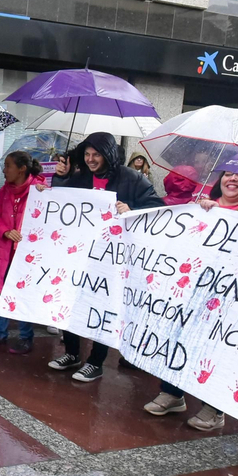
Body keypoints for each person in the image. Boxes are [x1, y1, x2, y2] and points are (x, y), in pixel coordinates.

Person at [142, 171, 238, 430]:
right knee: (178, 337)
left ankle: (214, 410)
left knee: (216, 349)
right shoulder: (203, 205)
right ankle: (172, 393)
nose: (233, 178)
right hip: (195, 287)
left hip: (232, 293)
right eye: (228, 174)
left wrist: (222, 216)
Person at [48, 132, 163, 381]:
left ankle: (96, 362)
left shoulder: (131, 178)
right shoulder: (80, 178)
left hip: (113, 258)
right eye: (87, 154)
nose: (90, 160)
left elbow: (158, 207)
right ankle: (72, 353)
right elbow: (61, 201)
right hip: (81, 254)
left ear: (108, 154)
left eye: (96, 154)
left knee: (104, 307)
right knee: (72, 301)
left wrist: (132, 209)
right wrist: (60, 177)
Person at [0, 151, 45, 353]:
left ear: (22, 169)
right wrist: (5, 231)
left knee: (23, 294)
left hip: (26, 254)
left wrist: (45, 194)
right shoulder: (4, 191)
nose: (4, 170)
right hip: (3, 251)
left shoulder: (39, 190)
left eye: (8, 165)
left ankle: (26, 337)